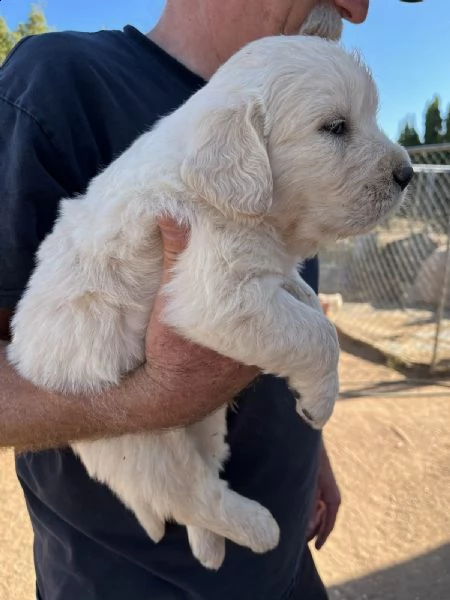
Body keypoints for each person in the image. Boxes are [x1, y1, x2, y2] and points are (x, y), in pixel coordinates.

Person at [0, 1, 369, 598]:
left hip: (288, 568)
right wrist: (150, 399)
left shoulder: (304, 106)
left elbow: (278, 301)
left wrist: (310, 451)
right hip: (134, 583)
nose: (358, 9)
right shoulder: (54, 84)